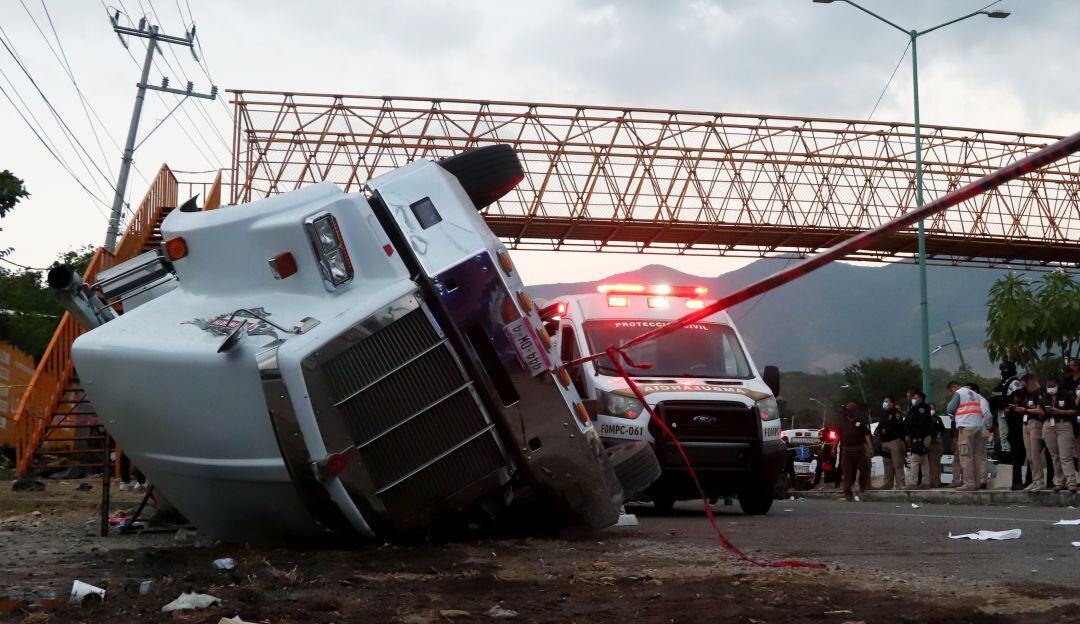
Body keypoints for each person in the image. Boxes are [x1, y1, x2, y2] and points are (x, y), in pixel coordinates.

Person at [1040, 378, 1078, 493]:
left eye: (1052, 386)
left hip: (1063, 424)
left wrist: (1059, 411)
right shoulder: (1044, 397)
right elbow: (1040, 412)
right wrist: (1042, 413)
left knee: (1065, 456)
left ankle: (1071, 482)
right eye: (1048, 386)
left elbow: (1074, 411)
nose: (1050, 388)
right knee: (1055, 456)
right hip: (1048, 425)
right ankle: (1059, 482)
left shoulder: (1067, 395)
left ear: (1057, 385)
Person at [947, 381, 984, 492]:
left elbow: (950, 409)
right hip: (978, 427)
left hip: (966, 427)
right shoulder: (975, 394)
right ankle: (976, 483)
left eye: (951, 391)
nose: (952, 393)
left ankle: (969, 483)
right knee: (976, 456)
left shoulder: (959, 393)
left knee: (966, 456)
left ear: (954, 387)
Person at [1018, 374, 1047, 491]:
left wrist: (1025, 410)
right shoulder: (1027, 395)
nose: (1022, 386)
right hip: (1025, 424)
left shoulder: (1039, 393)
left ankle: (1040, 481)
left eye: (1024, 383)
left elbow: (1040, 411)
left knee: (1035, 454)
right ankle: (1034, 480)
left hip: (1035, 424)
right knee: (1029, 456)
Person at [839, 402, 872, 502]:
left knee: (864, 469)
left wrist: (871, 447)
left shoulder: (861, 422)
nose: (848, 412)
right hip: (846, 450)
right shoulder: (843, 423)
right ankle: (848, 493)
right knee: (847, 473)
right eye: (847, 410)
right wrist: (833, 447)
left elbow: (866, 435)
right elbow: (838, 436)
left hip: (859, 450)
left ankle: (862, 486)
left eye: (850, 410)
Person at [905, 390, 936, 489]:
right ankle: (925, 482)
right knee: (924, 460)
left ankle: (913, 483)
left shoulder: (922, 408)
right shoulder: (914, 408)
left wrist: (919, 438)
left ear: (921, 399)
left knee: (915, 460)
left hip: (921, 437)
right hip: (919, 437)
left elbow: (921, 424)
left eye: (916, 397)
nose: (913, 399)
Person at [876, 395, 907, 489]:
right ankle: (887, 484)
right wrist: (877, 431)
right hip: (884, 442)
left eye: (887, 401)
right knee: (887, 464)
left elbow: (899, 425)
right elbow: (880, 425)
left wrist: (887, 429)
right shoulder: (883, 413)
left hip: (894, 441)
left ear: (892, 403)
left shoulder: (896, 413)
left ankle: (900, 484)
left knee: (898, 464)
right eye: (884, 401)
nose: (885, 403)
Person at [969, 384, 994, 489]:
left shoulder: (981, 400)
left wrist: (988, 426)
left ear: (975, 390)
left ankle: (981, 480)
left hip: (981, 431)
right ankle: (976, 479)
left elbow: (987, 414)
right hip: (974, 430)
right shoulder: (972, 400)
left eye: (969, 390)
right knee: (975, 456)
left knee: (980, 456)